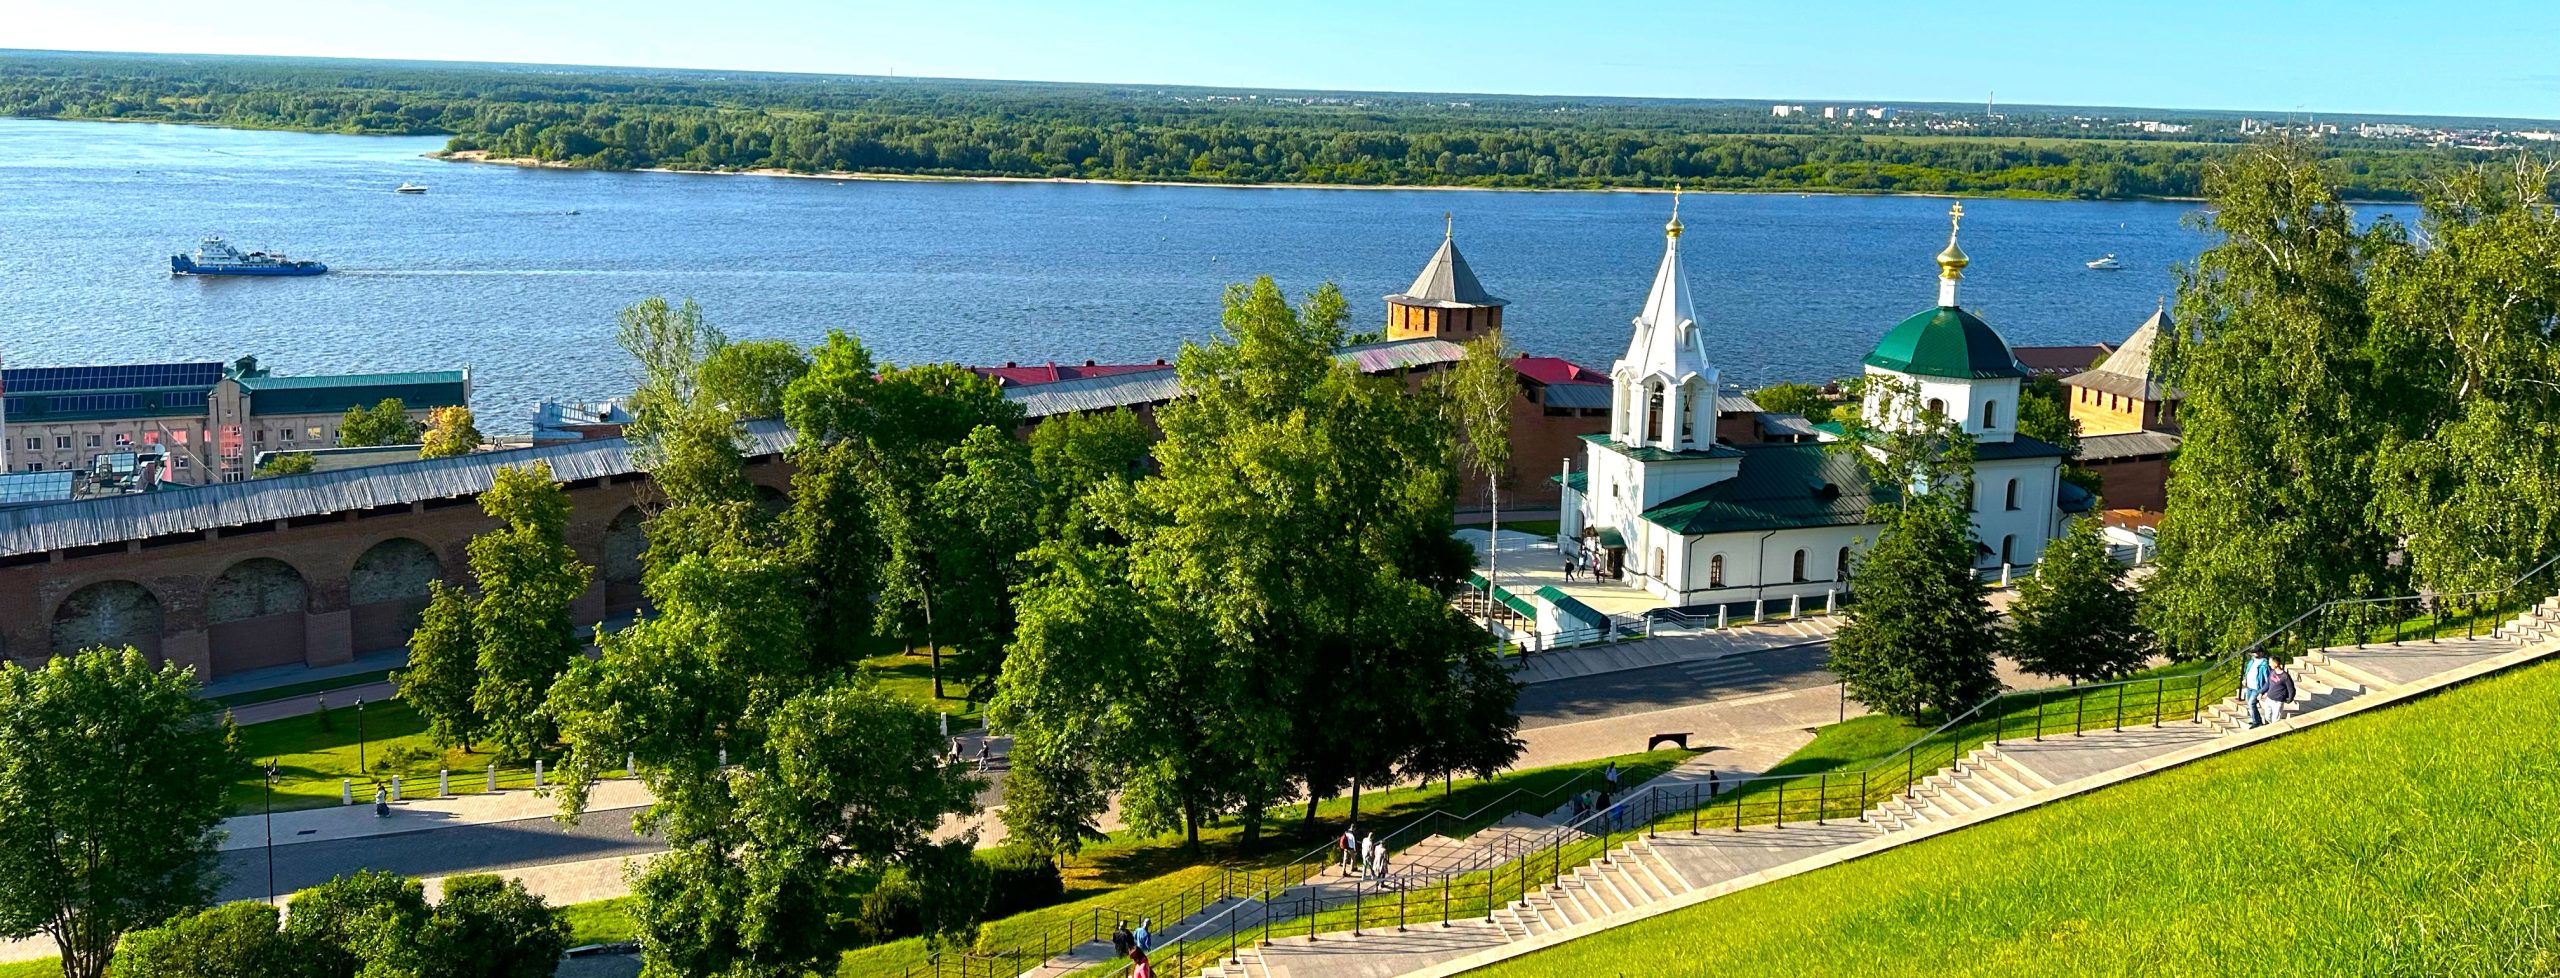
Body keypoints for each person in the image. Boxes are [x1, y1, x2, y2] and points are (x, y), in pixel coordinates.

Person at [2261, 661, 2297, 725]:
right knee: (2267, 717)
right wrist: (2262, 693)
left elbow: (2291, 689)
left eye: (2270, 662)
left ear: (2276, 663)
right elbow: (2268, 684)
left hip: (2278, 701)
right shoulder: (2272, 672)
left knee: (2275, 720)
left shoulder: (2285, 676)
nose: (2269, 664)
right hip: (2269, 699)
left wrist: (2289, 699)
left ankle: (2274, 732)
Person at [2241, 650, 2271, 727]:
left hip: (2258, 688)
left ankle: (2256, 722)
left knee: (2251, 703)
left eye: (2257, 652)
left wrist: (2265, 691)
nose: (2255, 653)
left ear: (2261, 652)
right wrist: (2245, 679)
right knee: (2249, 703)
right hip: (2249, 686)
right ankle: (2256, 720)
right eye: (2254, 652)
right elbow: (2247, 671)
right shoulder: (2251, 661)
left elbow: (2268, 679)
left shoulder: (2264, 664)